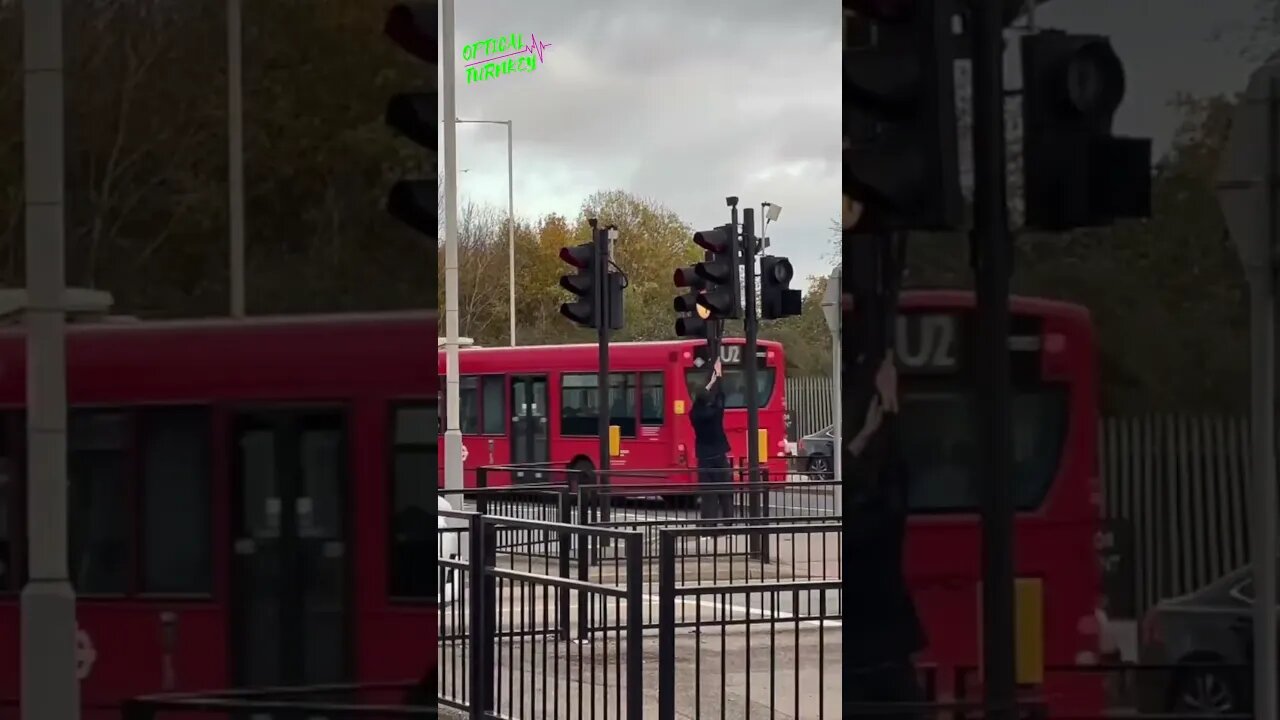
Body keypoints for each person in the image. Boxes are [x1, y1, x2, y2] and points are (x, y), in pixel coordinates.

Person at [690, 357, 734, 524]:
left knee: (708, 493)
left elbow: (700, 401)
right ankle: (728, 522)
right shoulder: (715, 414)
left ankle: (709, 523)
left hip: (704, 457)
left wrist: (709, 383)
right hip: (718, 455)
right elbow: (720, 397)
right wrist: (719, 377)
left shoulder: (694, 415)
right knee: (725, 491)